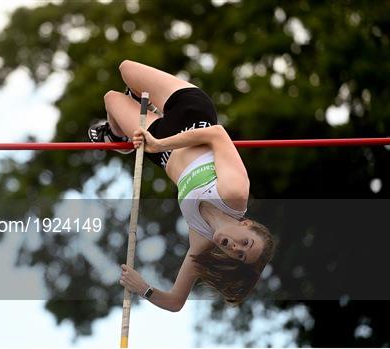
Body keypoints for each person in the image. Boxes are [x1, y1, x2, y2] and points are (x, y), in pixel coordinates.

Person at [88, 60, 275, 310]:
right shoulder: (234, 195)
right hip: (192, 116)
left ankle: (115, 134)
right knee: (125, 69)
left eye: (239, 256)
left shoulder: (200, 242)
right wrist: (158, 144)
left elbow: (176, 301)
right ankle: (127, 117)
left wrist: (143, 288)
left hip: (162, 151)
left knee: (111, 99)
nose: (235, 247)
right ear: (247, 225)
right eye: (246, 243)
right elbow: (217, 134)